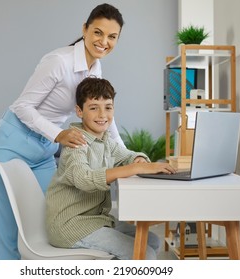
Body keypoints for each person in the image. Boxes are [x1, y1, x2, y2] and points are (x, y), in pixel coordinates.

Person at [0, 3, 125, 260]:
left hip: (43, 150)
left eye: (112, 36)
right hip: (12, 142)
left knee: (53, 219)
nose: (103, 41)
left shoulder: (95, 69)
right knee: (9, 233)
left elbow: (107, 120)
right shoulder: (58, 62)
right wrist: (59, 134)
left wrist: (128, 155)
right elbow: (22, 106)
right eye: (97, 32)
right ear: (84, 30)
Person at [45, 77, 176, 260]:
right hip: (71, 226)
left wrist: (138, 159)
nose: (102, 115)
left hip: (96, 221)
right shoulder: (76, 143)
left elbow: (126, 155)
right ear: (79, 111)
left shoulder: (105, 140)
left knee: (151, 241)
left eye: (108, 107)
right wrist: (134, 169)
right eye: (93, 108)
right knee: (144, 254)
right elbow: (85, 179)